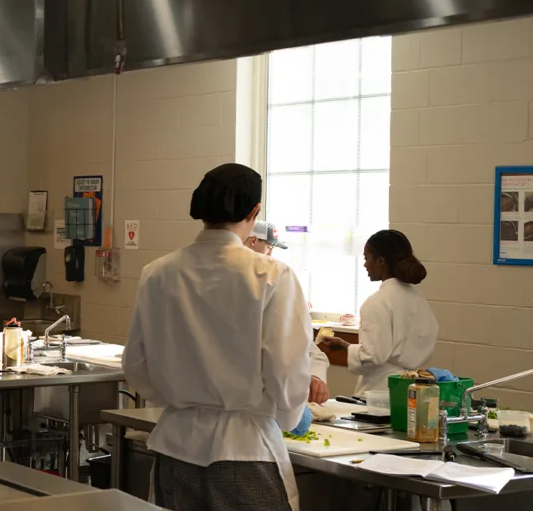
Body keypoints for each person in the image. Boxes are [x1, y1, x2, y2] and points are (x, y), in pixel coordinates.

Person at [123, 164, 312, 511]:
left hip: (176, 446)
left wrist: (180, 402)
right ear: (254, 213)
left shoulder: (158, 273)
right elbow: (287, 373)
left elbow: (135, 363)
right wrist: (282, 419)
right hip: (247, 449)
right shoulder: (270, 275)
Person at [324, 229, 438, 396]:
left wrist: (347, 348)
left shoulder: (377, 302)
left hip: (381, 392)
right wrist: (344, 345)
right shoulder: (418, 298)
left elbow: (372, 358)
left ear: (380, 261)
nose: (364, 264)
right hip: (414, 390)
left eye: (366, 258)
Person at [246, 220, 330, 404]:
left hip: (267, 406)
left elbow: (311, 351)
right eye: (268, 247)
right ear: (253, 241)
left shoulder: (279, 281)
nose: (272, 254)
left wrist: (315, 376)